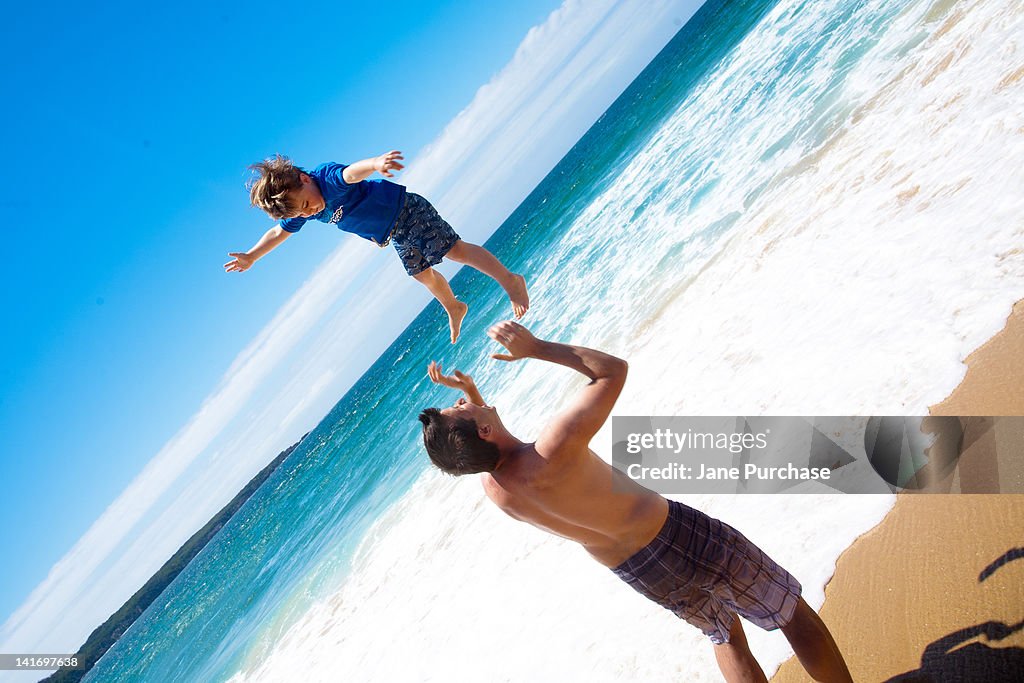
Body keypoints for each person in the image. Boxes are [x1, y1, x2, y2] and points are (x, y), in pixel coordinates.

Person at [419, 321, 853, 683]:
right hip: (676, 535)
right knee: (788, 611)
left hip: (638, 571)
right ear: (482, 433)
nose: (463, 402)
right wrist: (534, 348)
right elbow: (612, 371)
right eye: (461, 408)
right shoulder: (555, 447)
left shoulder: (497, 490)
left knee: (725, 636)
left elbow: (493, 449)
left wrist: (474, 397)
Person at [225, 151, 529, 342]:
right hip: (395, 232)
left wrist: (375, 163)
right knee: (422, 275)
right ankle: (454, 305)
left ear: (304, 179)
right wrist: (252, 256)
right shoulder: (306, 207)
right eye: (301, 213)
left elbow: (351, 172)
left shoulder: (327, 180)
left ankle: (509, 280)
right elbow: (278, 233)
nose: (309, 213)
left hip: (408, 210)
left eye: (305, 205)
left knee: (454, 250)